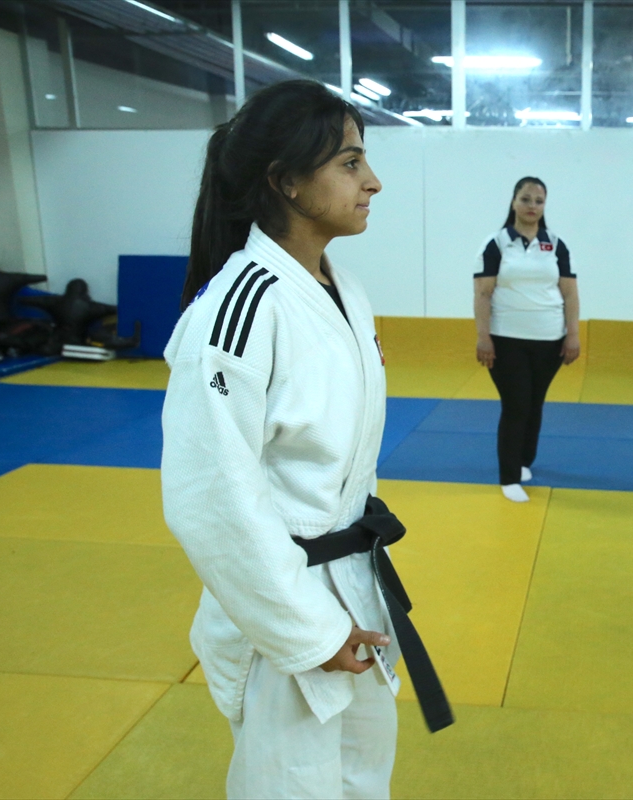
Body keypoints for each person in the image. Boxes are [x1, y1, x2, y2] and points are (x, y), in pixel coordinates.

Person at [161, 80, 450, 800]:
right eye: (350, 163)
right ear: (285, 181)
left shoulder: (343, 290)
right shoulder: (238, 310)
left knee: (362, 782)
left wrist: (344, 613)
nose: (372, 181)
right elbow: (212, 498)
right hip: (281, 608)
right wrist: (306, 631)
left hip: (352, 587)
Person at [473, 176, 581, 502]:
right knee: (516, 405)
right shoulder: (496, 243)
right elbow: (482, 293)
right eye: (525, 199)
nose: (532, 205)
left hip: (550, 340)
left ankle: (522, 463)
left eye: (538, 200)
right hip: (506, 340)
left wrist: (573, 334)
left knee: (534, 404)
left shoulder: (556, 244)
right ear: (513, 202)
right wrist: (483, 338)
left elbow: (570, 292)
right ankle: (508, 478)